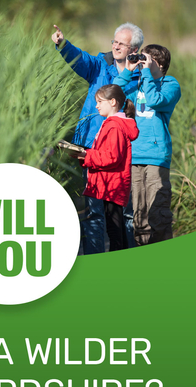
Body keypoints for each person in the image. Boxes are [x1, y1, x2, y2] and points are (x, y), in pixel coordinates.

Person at [52, 23, 144, 254]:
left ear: (134, 48)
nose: (115, 46)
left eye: (121, 43)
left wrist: (129, 73)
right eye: (114, 41)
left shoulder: (139, 78)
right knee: (93, 210)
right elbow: (80, 59)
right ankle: (94, 257)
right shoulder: (100, 65)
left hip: (121, 152)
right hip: (91, 146)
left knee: (123, 213)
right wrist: (63, 44)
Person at [113, 45, 181, 245]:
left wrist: (146, 74)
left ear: (159, 63)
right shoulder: (139, 85)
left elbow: (154, 100)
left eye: (146, 60)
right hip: (134, 155)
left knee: (157, 213)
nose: (142, 63)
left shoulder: (170, 84)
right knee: (139, 215)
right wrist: (128, 70)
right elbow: (113, 94)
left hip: (156, 157)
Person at [77, 85, 139, 251]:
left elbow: (112, 157)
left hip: (112, 185)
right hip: (112, 183)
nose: (96, 105)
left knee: (114, 231)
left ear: (112, 102)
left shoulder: (114, 126)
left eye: (99, 102)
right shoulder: (113, 124)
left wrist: (87, 157)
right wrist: (86, 155)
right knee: (116, 230)